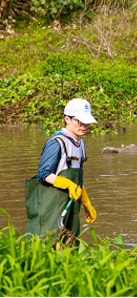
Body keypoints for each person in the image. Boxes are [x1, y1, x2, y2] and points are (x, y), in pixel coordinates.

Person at [25, 97, 97, 240]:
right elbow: (43, 174)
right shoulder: (56, 143)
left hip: (70, 206)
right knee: (47, 244)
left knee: (71, 244)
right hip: (51, 207)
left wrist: (85, 199)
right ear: (67, 119)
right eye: (79, 121)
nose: (83, 125)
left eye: (86, 122)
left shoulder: (80, 144)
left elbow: (77, 175)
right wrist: (67, 184)